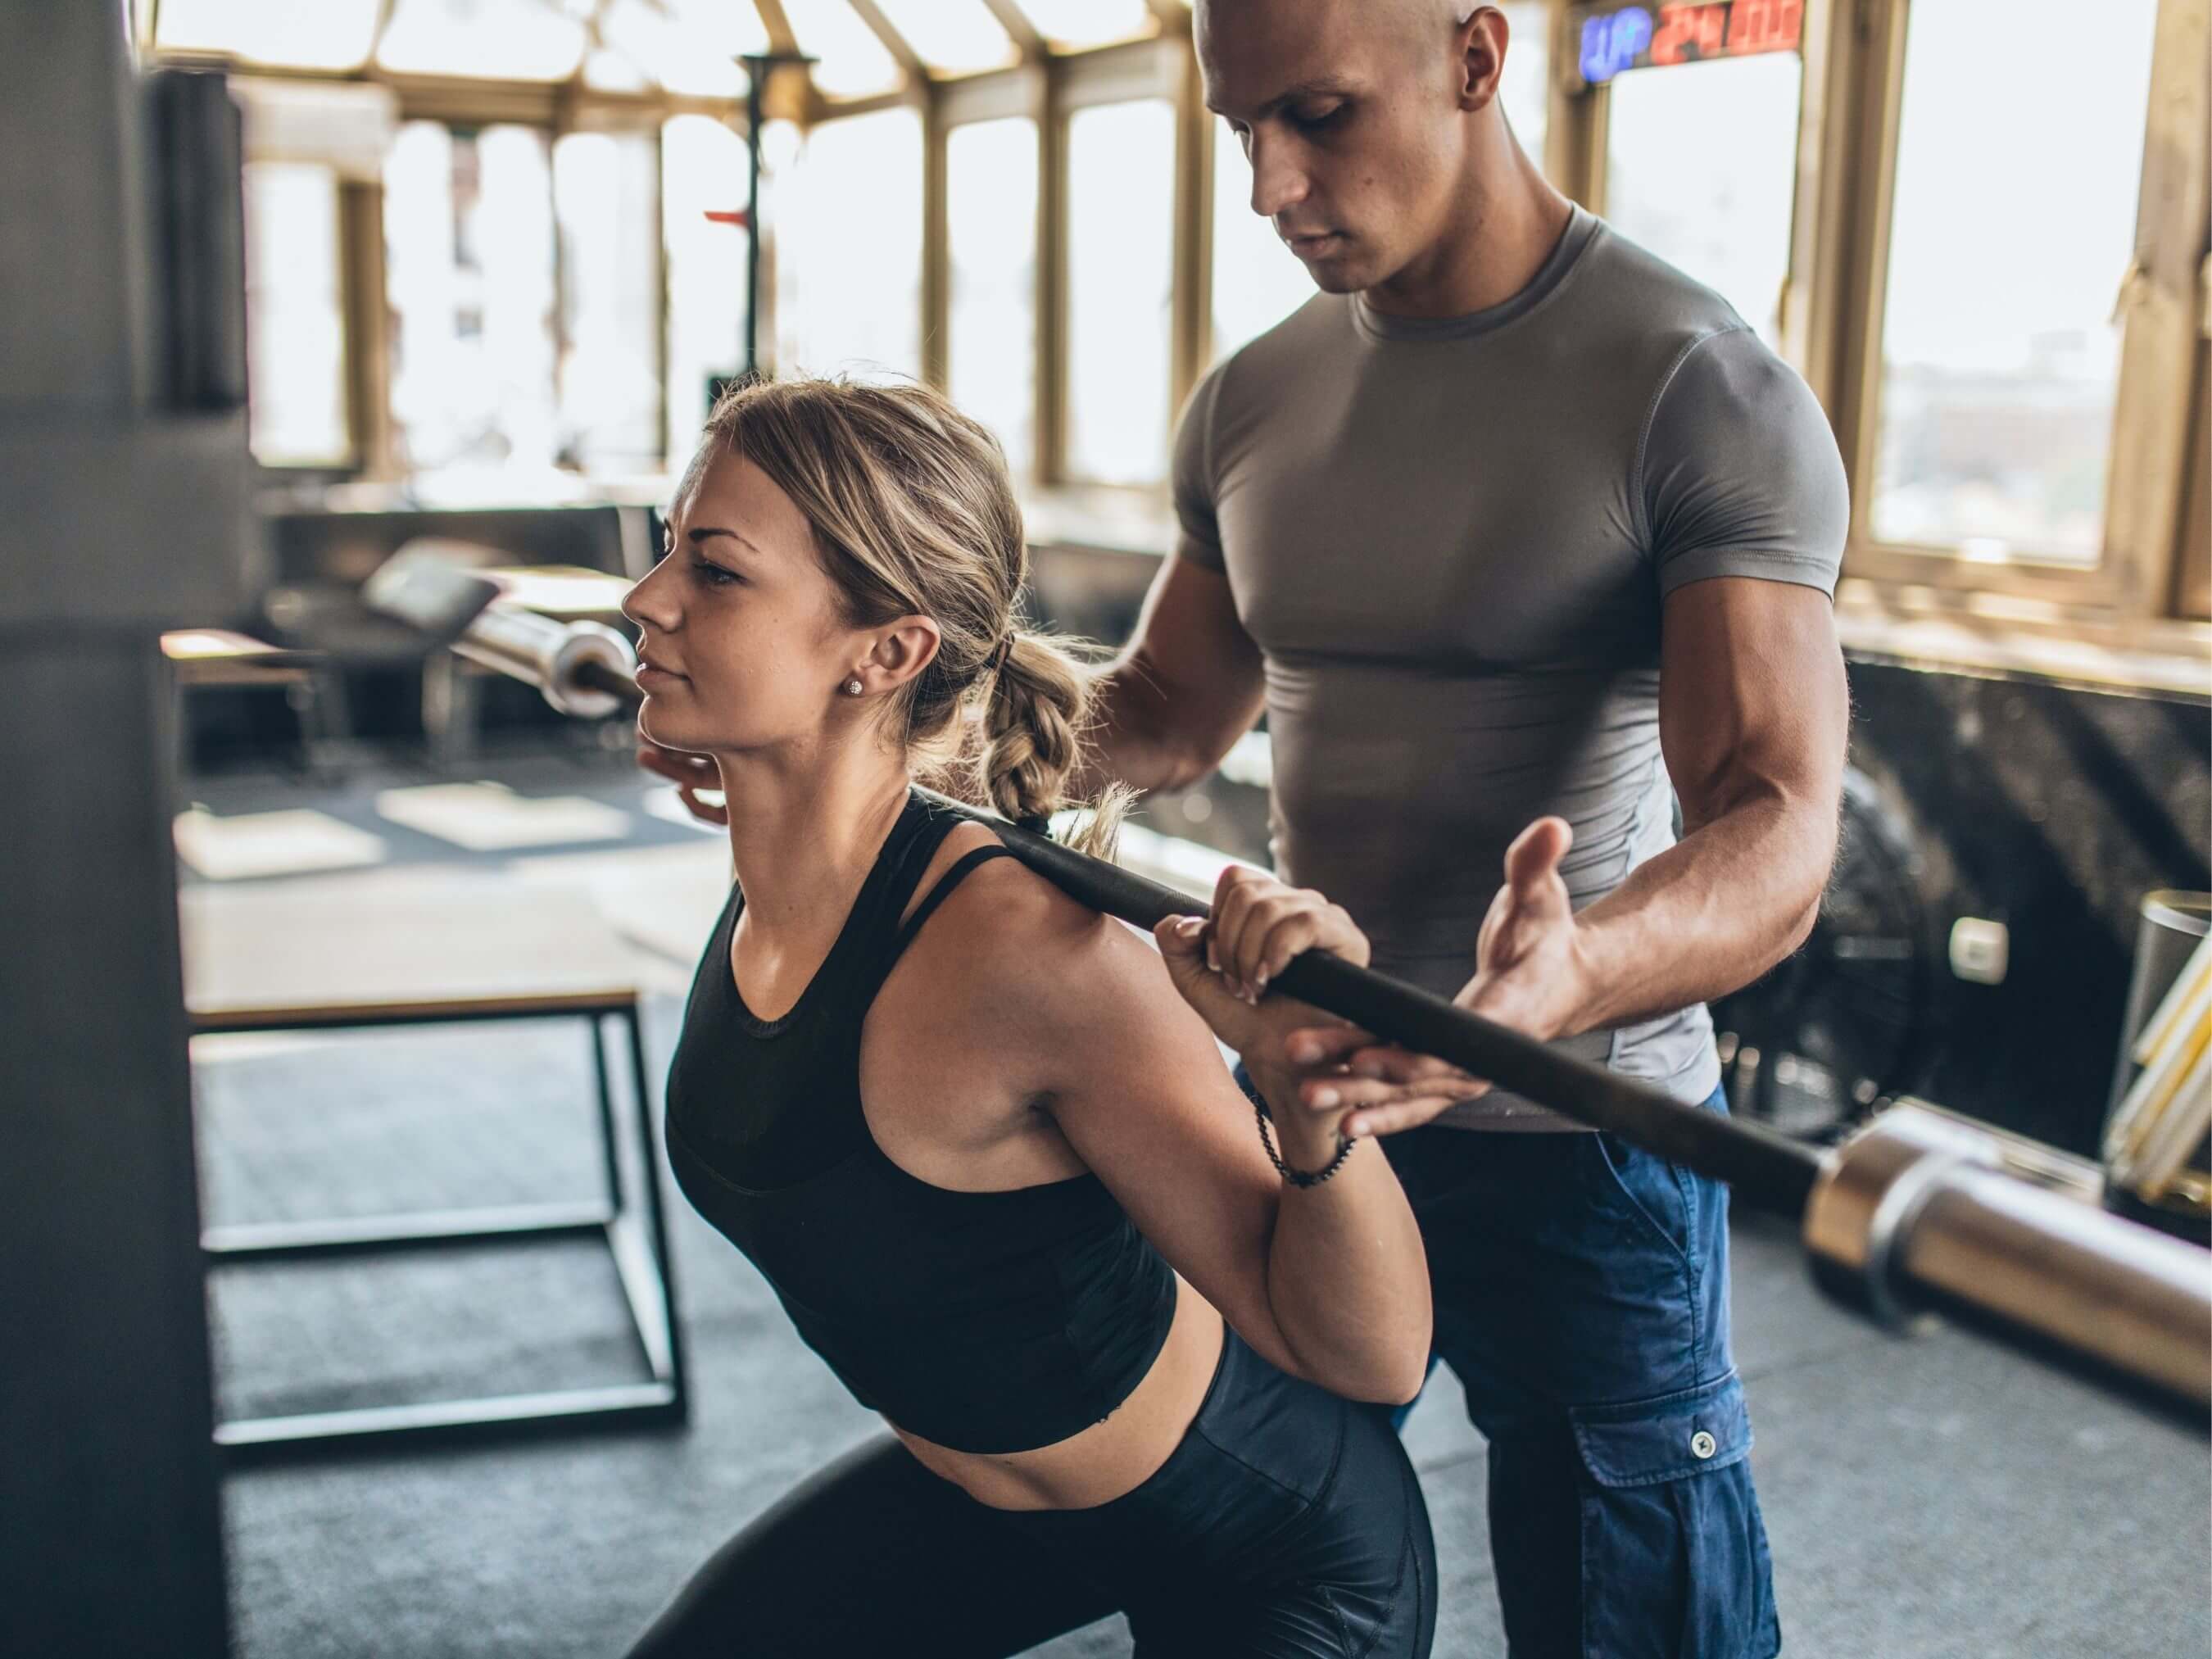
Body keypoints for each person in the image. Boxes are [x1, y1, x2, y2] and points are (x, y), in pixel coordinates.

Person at [648, 3, 1847, 1653]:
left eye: (1323, 115)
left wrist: (1574, 973)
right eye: (1241, 132)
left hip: (1577, 1122)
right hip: (1303, 1084)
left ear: (1479, 59)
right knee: (1262, 1492)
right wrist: (838, 754)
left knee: (1625, 1611)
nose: (1274, 181)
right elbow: (1153, 711)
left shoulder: (1691, 385)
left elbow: (1777, 818)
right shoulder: (1256, 399)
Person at [619, 375, 1439, 1658]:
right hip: (1005, 1511)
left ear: (887, 652)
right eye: (668, 546)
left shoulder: (1028, 957)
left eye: (714, 573)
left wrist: (1303, 1095)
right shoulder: (781, 868)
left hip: (1276, 1551)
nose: (646, 598)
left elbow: (1376, 1360)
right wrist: (741, 756)